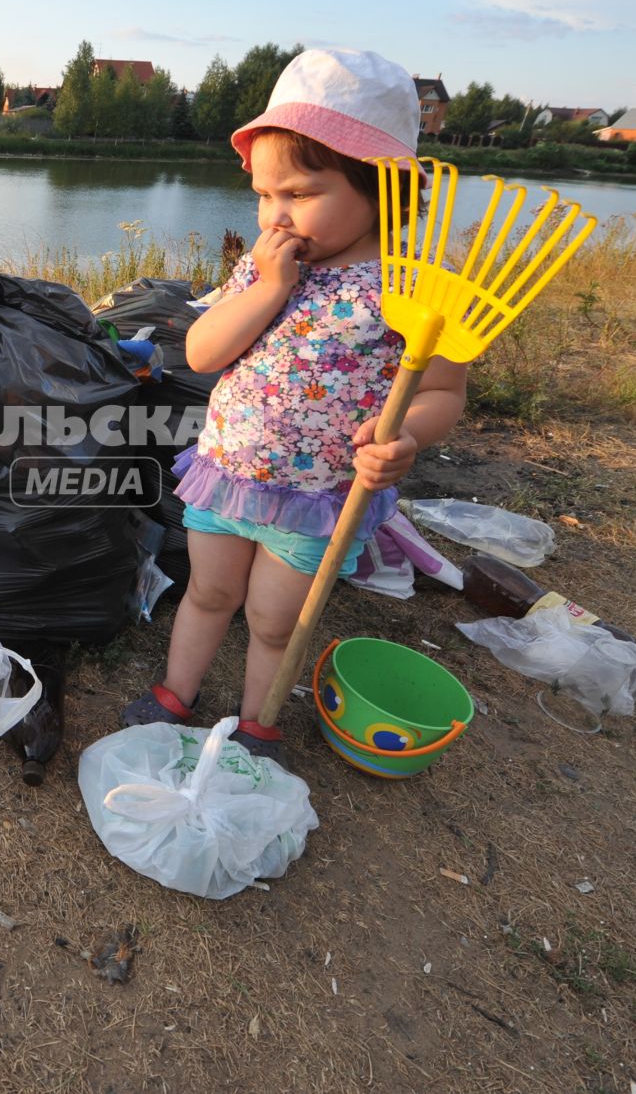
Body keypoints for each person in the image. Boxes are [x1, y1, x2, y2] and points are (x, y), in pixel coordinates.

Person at [119, 48, 468, 767]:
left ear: (383, 187)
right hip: (229, 468)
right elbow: (204, 352)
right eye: (264, 195)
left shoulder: (416, 287)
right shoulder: (263, 266)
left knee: (275, 620)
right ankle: (176, 692)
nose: (276, 215)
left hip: (317, 496)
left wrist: (405, 437)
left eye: (299, 194)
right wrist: (267, 288)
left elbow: (442, 394)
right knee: (209, 592)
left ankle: (257, 721)